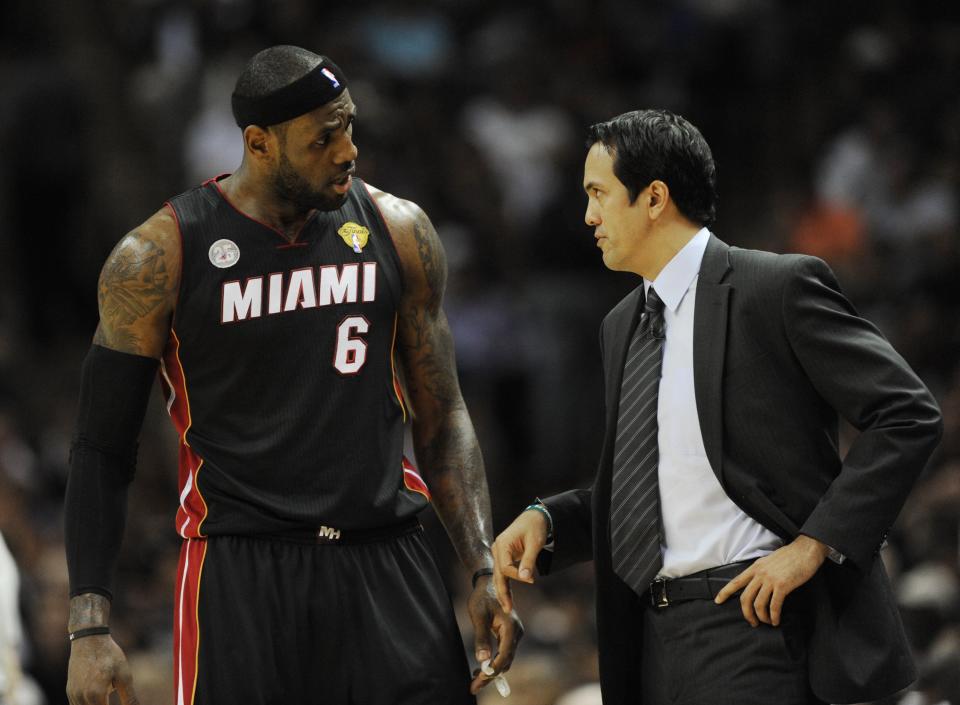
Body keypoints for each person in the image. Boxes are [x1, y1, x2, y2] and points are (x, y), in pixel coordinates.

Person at [63, 45, 521, 705]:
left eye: (350, 126)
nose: (348, 150)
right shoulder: (159, 255)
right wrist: (90, 625)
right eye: (323, 138)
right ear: (259, 143)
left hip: (386, 556)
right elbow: (101, 448)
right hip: (245, 570)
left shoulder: (399, 231)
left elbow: (443, 412)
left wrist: (480, 565)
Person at [492, 109, 942, 705]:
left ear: (654, 198)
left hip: (756, 621)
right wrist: (550, 521)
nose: (588, 216)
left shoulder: (773, 288)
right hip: (651, 640)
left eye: (598, 193)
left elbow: (908, 413)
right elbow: (652, 492)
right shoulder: (619, 325)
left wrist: (815, 545)